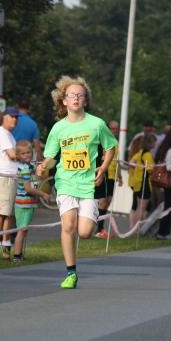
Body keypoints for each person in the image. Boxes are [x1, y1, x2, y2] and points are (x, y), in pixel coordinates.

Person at [36, 75, 117, 289]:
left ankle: (89, 220)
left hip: (89, 185)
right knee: (68, 225)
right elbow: (52, 156)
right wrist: (43, 166)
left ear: (85, 101)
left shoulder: (96, 124)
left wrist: (103, 167)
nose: (76, 98)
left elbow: (110, 147)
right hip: (66, 182)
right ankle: (71, 273)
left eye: (80, 95)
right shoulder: (58, 128)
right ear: (64, 100)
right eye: (72, 95)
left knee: (85, 232)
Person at [13, 140, 50, 263]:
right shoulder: (24, 169)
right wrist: (43, 194)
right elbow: (28, 188)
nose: (27, 155)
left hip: (28, 203)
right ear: (18, 155)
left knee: (24, 230)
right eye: (23, 153)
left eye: (28, 152)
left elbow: (34, 182)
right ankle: (17, 255)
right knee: (22, 230)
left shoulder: (30, 167)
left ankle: (20, 253)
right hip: (23, 203)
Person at [0, 107, 21, 259]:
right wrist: (25, 155)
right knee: (2, 213)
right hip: (5, 177)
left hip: (9, 177)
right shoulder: (2, 133)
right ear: (4, 117)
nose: (15, 119)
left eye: (17, 117)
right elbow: (12, 154)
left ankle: (5, 242)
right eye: (12, 116)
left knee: (8, 213)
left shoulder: (7, 134)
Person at [94, 119, 121, 238]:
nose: (114, 130)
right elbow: (102, 157)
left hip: (112, 175)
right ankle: (98, 229)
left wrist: (120, 175)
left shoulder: (116, 142)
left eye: (116, 129)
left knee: (108, 201)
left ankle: (100, 228)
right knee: (103, 201)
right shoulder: (104, 140)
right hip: (105, 172)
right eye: (112, 128)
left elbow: (117, 160)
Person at [128, 133, 156, 228]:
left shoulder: (140, 152)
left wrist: (137, 168)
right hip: (145, 183)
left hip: (137, 182)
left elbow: (131, 162)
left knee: (137, 206)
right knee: (142, 208)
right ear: (150, 143)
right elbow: (150, 170)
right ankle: (136, 228)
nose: (155, 144)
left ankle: (133, 227)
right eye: (154, 142)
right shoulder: (148, 155)